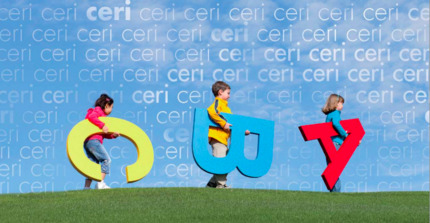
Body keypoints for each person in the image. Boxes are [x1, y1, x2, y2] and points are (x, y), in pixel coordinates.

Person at [205, 81, 250, 189]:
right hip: (217, 138)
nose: (229, 96)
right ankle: (221, 185)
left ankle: (211, 184)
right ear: (220, 92)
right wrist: (223, 123)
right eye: (228, 93)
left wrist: (242, 131)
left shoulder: (227, 109)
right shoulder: (218, 103)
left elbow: (232, 125)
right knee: (222, 163)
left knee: (229, 162)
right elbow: (212, 112)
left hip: (224, 139)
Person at [83, 94, 120, 190]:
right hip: (93, 141)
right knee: (106, 160)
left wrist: (113, 135)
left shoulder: (101, 117)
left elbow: (104, 134)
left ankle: (86, 187)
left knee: (93, 165)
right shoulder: (98, 110)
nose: (111, 110)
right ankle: (100, 183)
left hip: (88, 142)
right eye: (111, 107)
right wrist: (102, 125)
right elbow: (91, 116)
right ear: (106, 105)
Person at [322, 94, 347, 192]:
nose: (343, 106)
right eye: (341, 103)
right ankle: (336, 192)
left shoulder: (329, 115)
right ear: (336, 104)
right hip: (335, 144)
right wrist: (345, 135)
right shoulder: (336, 113)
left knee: (332, 169)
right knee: (334, 170)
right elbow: (336, 124)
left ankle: (334, 192)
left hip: (330, 144)